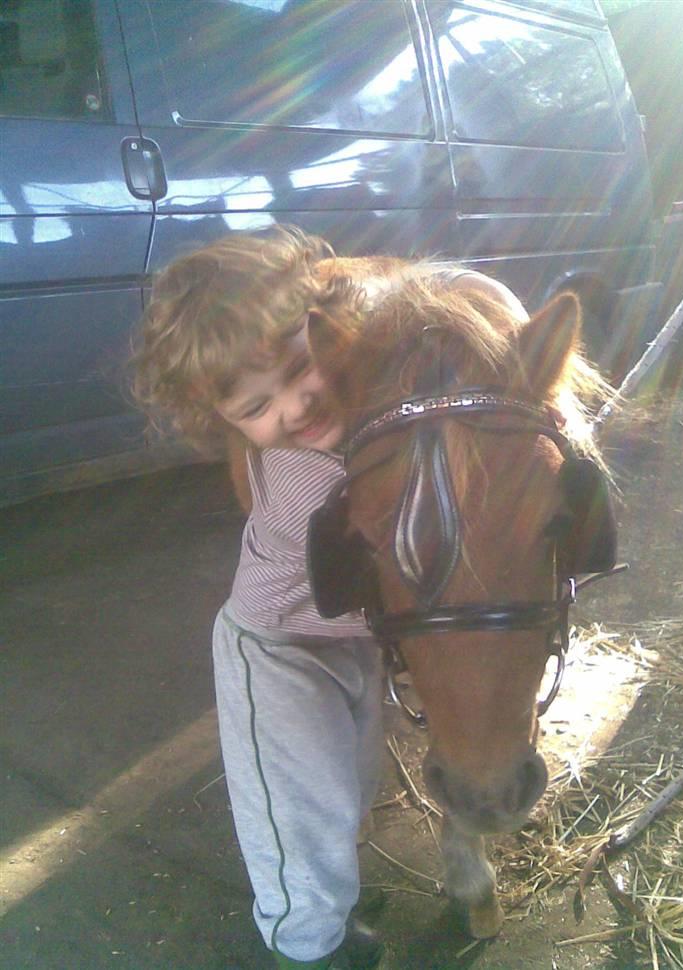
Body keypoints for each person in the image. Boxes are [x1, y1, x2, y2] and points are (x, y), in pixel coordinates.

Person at [131, 226, 528, 969]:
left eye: (295, 363)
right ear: (227, 424)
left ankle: (332, 894)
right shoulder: (305, 474)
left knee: (348, 786)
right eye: (255, 406)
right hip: (276, 650)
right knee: (295, 811)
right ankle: (309, 943)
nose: (293, 403)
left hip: (350, 642)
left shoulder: (364, 416)